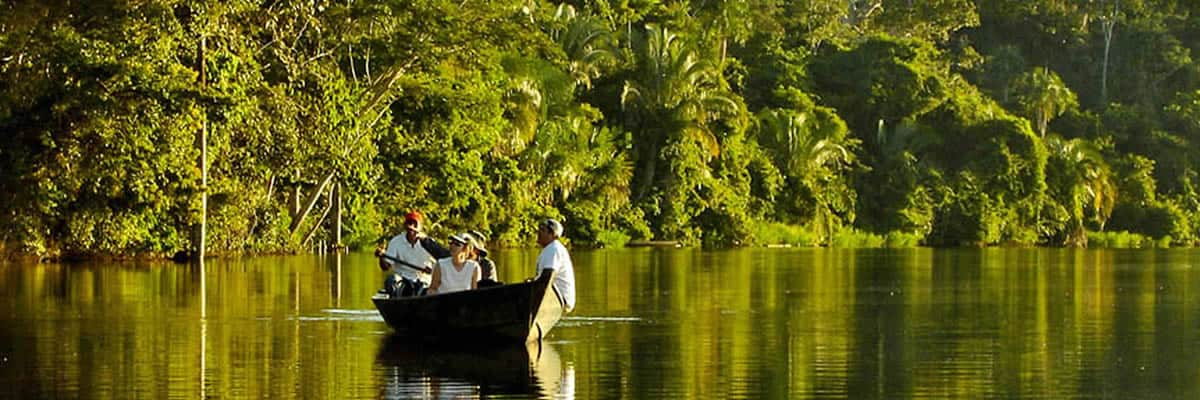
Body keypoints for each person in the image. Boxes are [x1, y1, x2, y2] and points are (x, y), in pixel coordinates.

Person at [375, 211, 450, 297]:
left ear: (420, 227)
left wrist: (432, 270)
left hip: (424, 281)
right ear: (405, 226)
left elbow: (444, 262)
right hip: (403, 280)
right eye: (409, 223)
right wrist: (382, 257)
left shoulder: (429, 242)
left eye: (415, 224)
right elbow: (385, 267)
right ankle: (399, 302)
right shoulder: (396, 241)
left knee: (433, 289)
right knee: (391, 281)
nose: (411, 227)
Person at [535, 218, 576, 312]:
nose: (538, 233)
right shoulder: (550, 249)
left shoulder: (554, 248)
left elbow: (548, 276)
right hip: (554, 296)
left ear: (552, 234)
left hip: (559, 297)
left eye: (542, 230)